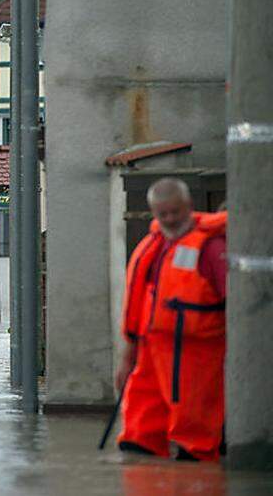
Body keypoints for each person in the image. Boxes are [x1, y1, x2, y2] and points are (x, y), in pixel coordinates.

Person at [115, 178, 227, 461]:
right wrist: (128, 354)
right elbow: (139, 303)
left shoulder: (211, 248)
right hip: (151, 349)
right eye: (162, 214)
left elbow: (235, 303)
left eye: (175, 212)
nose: (169, 219)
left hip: (197, 351)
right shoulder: (154, 246)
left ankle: (196, 466)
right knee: (139, 431)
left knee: (195, 423)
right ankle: (144, 461)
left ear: (189, 206)